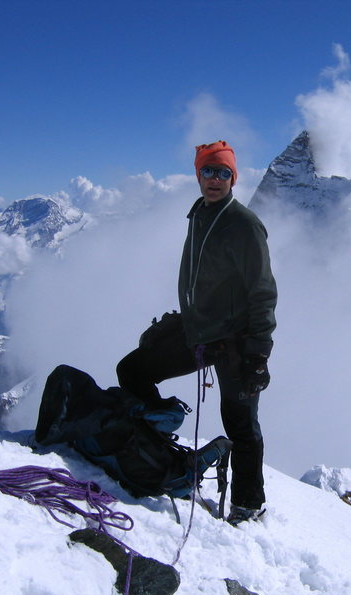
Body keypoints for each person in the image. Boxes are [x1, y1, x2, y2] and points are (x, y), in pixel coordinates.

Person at [116, 140, 277, 525]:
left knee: (241, 425)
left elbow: (262, 291)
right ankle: (161, 440)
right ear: (198, 175)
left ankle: (247, 505)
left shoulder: (244, 225)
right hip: (197, 332)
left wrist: (258, 353)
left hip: (234, 343)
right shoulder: (200, 214)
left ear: (233, 178)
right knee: (132, 371)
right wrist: (178, 321)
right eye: (208, 171)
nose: (215, 179)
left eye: (223, 172)